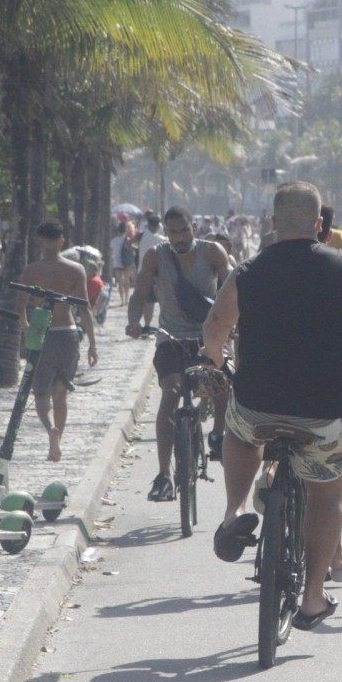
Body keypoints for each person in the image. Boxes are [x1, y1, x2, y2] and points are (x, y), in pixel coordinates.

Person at [201, 181, 342, 630]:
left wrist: (215, 360)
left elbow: (214, 330)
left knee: (239, 432)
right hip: (321, 411)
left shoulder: (246, 272)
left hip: (258, 403)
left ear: (272, 224)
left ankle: (235, 510)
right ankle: (311, 597)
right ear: (320, 224)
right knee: (327, 494)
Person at [126, 206, 231, 501]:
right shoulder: (156, 256)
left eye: (184, 230)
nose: (179, 237)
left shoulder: (213, 253)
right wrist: (134, 322)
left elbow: (232, 291)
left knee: (222, 383)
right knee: (170, 394)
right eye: (173, 232)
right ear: (166, 233)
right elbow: (139, 293)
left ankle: (218, 434)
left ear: (193, 227)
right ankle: (164, 475)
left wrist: (234, 325)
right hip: (170, 339)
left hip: (207, 335)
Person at [17, 221, 98, 462]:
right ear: (62, 240)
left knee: (41, 393)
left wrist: (27, 330)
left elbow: (19, 306)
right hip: (68, 333)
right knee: (60, 394)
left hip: (42, 333)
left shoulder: (32, 270)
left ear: (40, 242)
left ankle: (50, 428)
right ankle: (58, 441)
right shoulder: (76, 270)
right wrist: (92, 344)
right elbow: (85, 310)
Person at [136, 213, 167, 329]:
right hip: (152, 274)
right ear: (157, 225)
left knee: (141, 299)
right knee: (150, 301)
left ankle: (141, 323)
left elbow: (129, 244)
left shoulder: (142, 236)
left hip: (140, 271)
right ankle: (147, 325)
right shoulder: (159, 239)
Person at [110, 221, 132, 307]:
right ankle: (127, 299)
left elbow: (111, 252)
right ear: (125, 230)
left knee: (120, 282)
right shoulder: (128, 240)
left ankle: (122, 300)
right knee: (127, 280)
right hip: (127, 262)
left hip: (117, 263)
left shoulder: (113, 241)